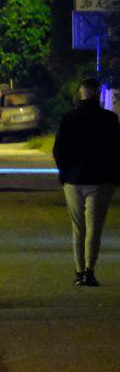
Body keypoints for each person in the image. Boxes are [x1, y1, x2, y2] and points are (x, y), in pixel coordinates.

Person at [52, 77, 120, 286]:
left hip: (73, 180)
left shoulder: (69, 118)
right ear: (98, 94)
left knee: (78, 227)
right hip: (101, 180)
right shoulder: (109, 120)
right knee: (94, 227)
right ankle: (90, 271)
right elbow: (116, 150)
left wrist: (64, 173)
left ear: (81, 93)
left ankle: (79, 271)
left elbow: (58, 150)